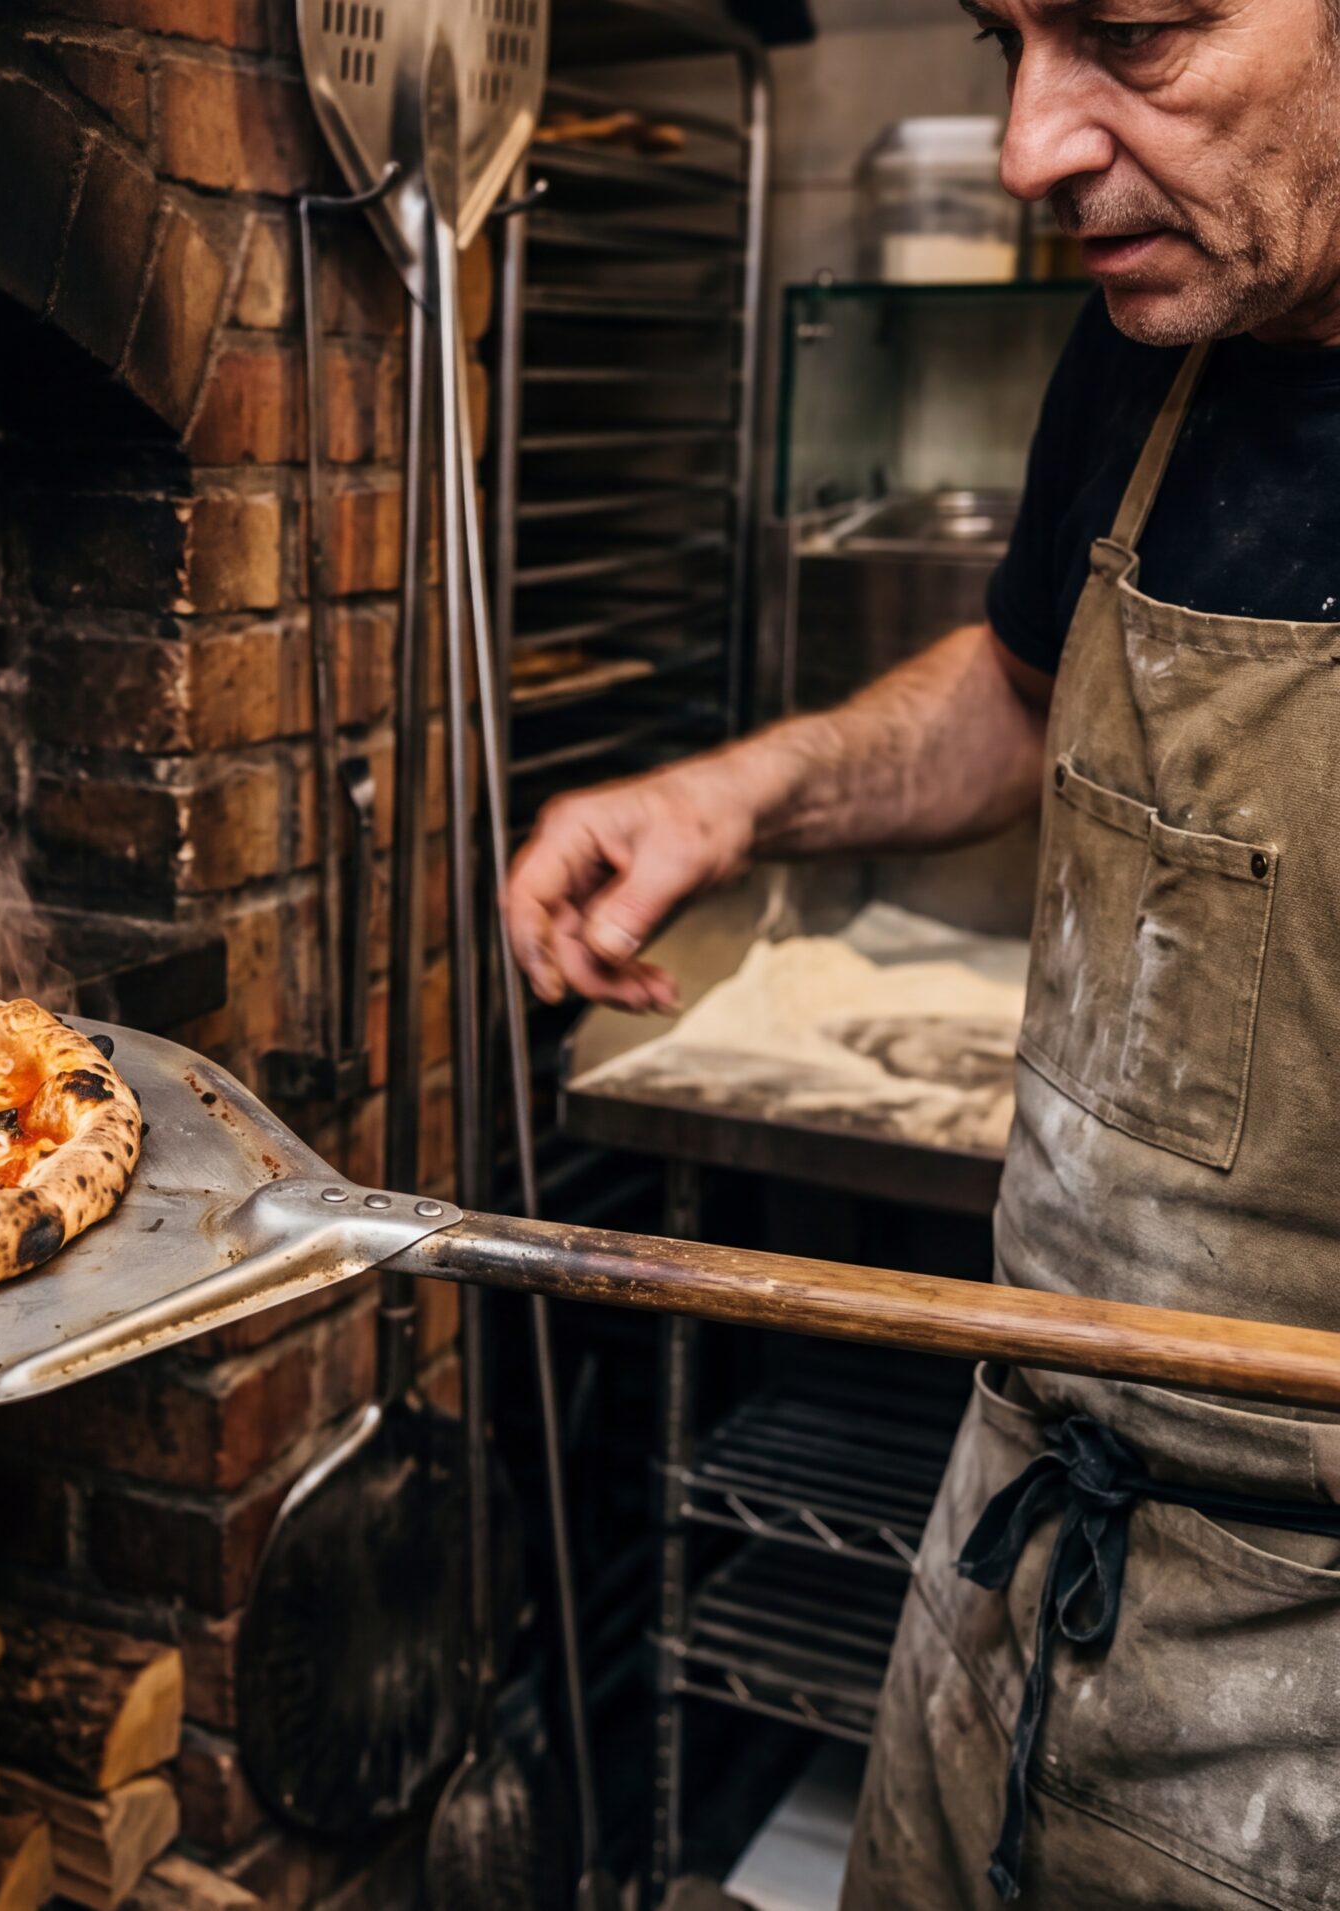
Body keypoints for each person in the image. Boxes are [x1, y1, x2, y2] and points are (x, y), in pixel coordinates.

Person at [503, 3, 1340, 1903]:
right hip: (1015, 1521)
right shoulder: (1160, 340)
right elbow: (1037, 685)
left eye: (1135, 34)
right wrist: (740, 799)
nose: (1034, 144)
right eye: (1007, 36)